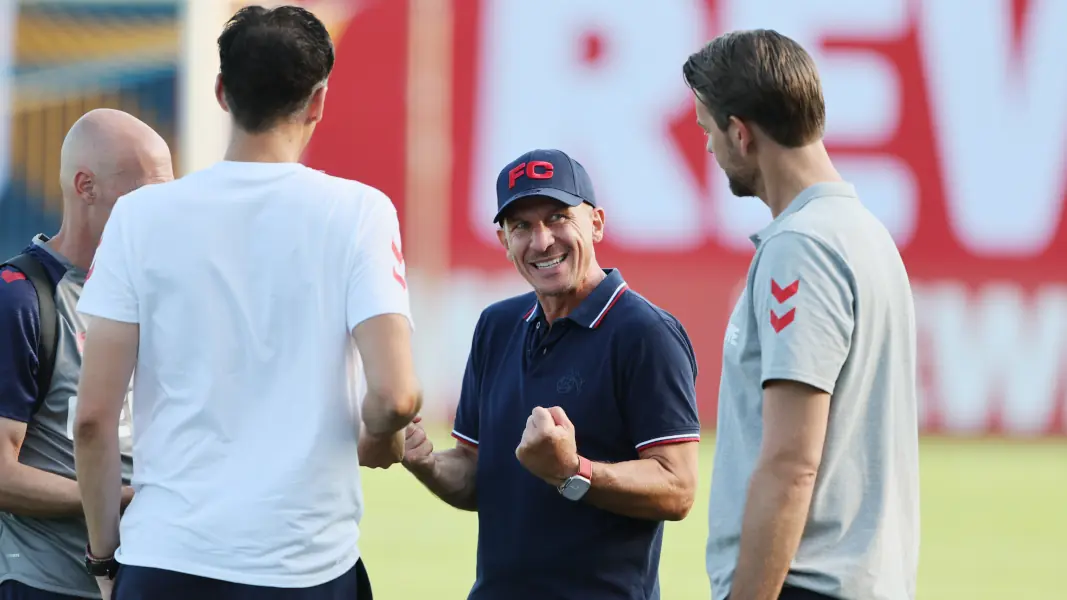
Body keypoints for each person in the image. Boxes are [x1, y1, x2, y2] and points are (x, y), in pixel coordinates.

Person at [71, 5, 421, 600]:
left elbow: (94, 421)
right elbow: (395, 396)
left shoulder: (139, 216)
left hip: (166, 560)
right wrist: (382, 440)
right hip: (305, 566)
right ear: (317, 102)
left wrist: (105, 561)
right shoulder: (360, 213)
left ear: (220, 91)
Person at [401, 148, 702, 599]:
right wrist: (424, 462)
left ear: (596, 223)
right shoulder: (496, 326)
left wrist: (572, 472)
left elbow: (677, 488)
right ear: (504, 241)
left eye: (558, 217)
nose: (541, 241)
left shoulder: (645, 334)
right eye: (521, 225)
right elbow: (475, 474)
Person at [683, 30, 920, 600]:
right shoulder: (866, 234)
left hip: (804, 585)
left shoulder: (802, 247)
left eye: (708, 131)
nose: (710, 150)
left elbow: (791, 462)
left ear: (739, 133)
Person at [0, 108, 173, 600]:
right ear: (85, 186)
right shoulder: (20, 298)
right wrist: (114, 500)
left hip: (151, 575)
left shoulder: (161, 293)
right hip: (49, 584)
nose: (163, 213)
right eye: (145, 195)